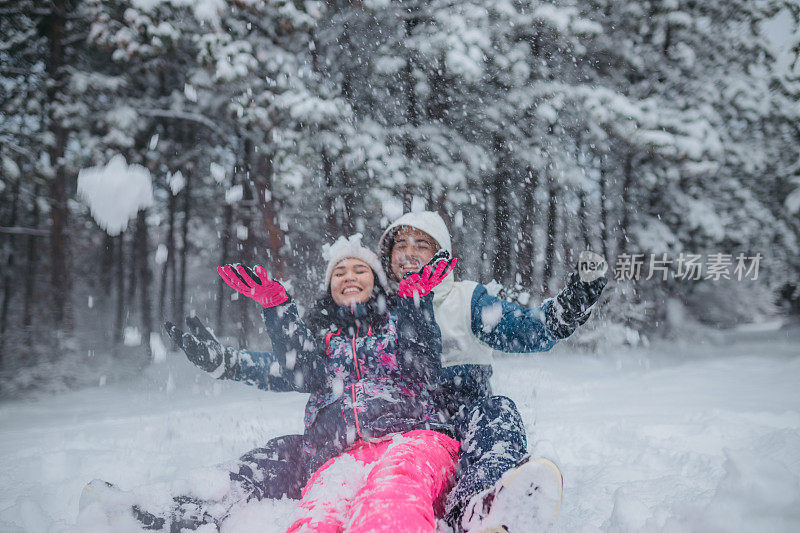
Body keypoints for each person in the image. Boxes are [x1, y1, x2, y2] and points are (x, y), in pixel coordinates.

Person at [165, 211, 607, 532]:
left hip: (444, 423)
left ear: (442, 254)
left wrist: (569, 306)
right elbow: (303, 370)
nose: (410, 254)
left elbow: (529, 331)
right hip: (379, 428)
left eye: (423, 245)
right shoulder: (374, 316)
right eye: (401, 245)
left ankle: (485, 501)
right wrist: (231, 360)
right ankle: (198, 504)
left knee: (494, 412)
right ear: (388, 259)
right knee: (289, 454)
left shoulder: (463, 299)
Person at [218, 234, 459, 532]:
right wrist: (277, 310)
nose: (349, 277)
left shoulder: (400, 323)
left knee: (391, 499)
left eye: (360, 270)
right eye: (339, 272)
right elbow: (302, 375)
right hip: (337, 455)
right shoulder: (319, 338)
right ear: (329, 286)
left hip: (410, 441)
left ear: (376, 281)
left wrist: (416, 302)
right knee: (317, 517)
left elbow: (423, 371)